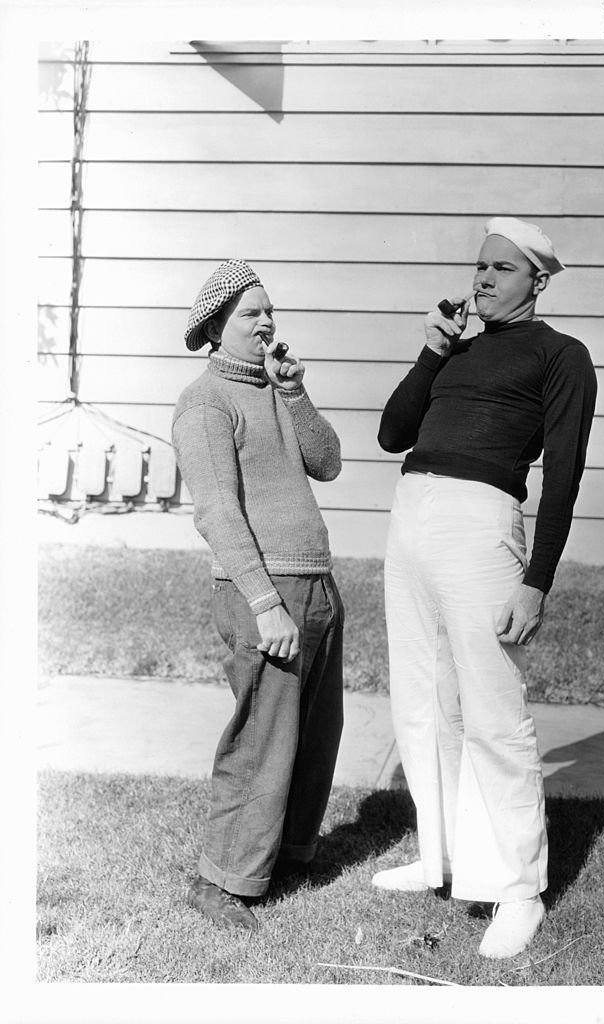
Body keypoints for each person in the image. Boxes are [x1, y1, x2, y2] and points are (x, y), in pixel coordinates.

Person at [374, 217, 597, 958]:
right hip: (412, 515)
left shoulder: (562, 355)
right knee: (422, 695)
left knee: (491, 710)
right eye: (479, 266)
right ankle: (439, 855)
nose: (483, 279)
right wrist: (432, 350)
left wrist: (537, 582)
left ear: (536, 280)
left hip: (481, 524)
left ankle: (515, 888)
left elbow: (562, 476)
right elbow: (391, 433)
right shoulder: (456, 350)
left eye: (502, 269)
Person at [172, 259, 344, 931]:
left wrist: (296, 392)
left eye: (270, 310)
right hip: (262, 593)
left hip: (315, 583)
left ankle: (286, 856)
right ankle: (221, 880)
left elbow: (327, 462)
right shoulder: (204, 402)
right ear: (216, 327)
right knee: (261, 739)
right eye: (250, 313)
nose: (267, 321)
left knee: (313, 733)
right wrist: (265, 603)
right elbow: (216, 512)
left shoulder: (276, 388)